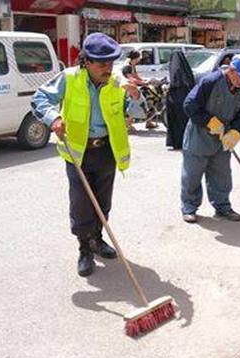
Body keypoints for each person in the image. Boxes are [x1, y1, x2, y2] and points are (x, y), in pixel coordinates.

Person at [31, 33, 139, 277]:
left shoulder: (115, 81)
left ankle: (98, 240)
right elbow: (40, 98)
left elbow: (128, 113)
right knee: (82, 206)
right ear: (87, 61)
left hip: (107, 152)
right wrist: (54, 118)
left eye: (111, 63)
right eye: (102, 64)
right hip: (78, 153)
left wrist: (133, 100)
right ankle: (84, 249)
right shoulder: (70, 79)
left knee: (102, 204)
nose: (107, 69)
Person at [180, 54, 240, 223]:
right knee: (192, 175)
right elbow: (189, 104)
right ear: (231, 70)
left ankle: (222, 207)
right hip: (199, 135)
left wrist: (235, 131)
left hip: (224, 137)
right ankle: (189, 207)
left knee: (222, 175)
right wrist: (209, 121)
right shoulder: (211, 81)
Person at [166, 50, 195, 150]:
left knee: (175, 121)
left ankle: (176, 142)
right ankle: (185, 140)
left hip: (175, 98)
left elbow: (174, 81)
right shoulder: (186, 70)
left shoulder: (174, 69)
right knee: (184, 121)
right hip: (185, 97)